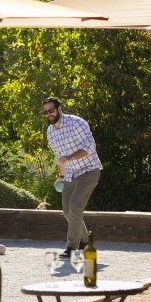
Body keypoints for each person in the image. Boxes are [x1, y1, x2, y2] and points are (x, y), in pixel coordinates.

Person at [42, 96, 103, 259]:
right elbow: (59, 157)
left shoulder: (76, 123)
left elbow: (90, 147)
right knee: (67, 211)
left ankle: (72, 247)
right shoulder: (50, 132)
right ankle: (84, 241)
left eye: (51, 110)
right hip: (69, 173)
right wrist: (61, 175)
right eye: (46, 112)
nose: (49, 114)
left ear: (59, 109)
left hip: (89, 170)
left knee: (75, 206)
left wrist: (69, 159)